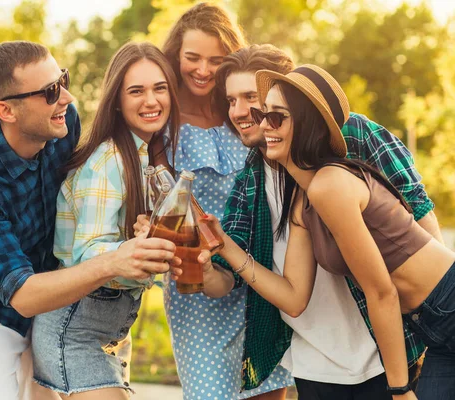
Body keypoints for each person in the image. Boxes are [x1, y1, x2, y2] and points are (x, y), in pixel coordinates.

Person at [0, 41, 177, 400]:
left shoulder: (63, 121)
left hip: (61, 297)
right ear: (6, 110)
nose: (66, 96)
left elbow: (87, 197)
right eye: (50, 92)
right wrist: (115, 259)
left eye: (62, 80)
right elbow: (22, 295)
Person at [200, 64, 455, 400]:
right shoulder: (303, 199)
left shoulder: (329, 186)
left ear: (306, 125)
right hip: (433, 324)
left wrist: (399, 389)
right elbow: (293, 297)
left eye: (277, 117)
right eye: (264, 115)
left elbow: (381, 293)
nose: (263, 124)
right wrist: (222, 243)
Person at [31, 42, 181, 400]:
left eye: (160, 88)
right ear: (116, 99)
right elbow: (88, 255)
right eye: (137, 91)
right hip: (76, 328)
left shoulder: (149, 156)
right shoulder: (109, 160)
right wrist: (135, 251)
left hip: (112, 331)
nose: (151, 101)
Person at [157, 4, 293, 399]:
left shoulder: (241, 109)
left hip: (266, 270)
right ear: (175, 57)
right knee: (211, 391)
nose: (203, 70)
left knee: (270, 386)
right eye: (192, 58)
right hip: (201, 280)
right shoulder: (162, 120)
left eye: (216, 61)